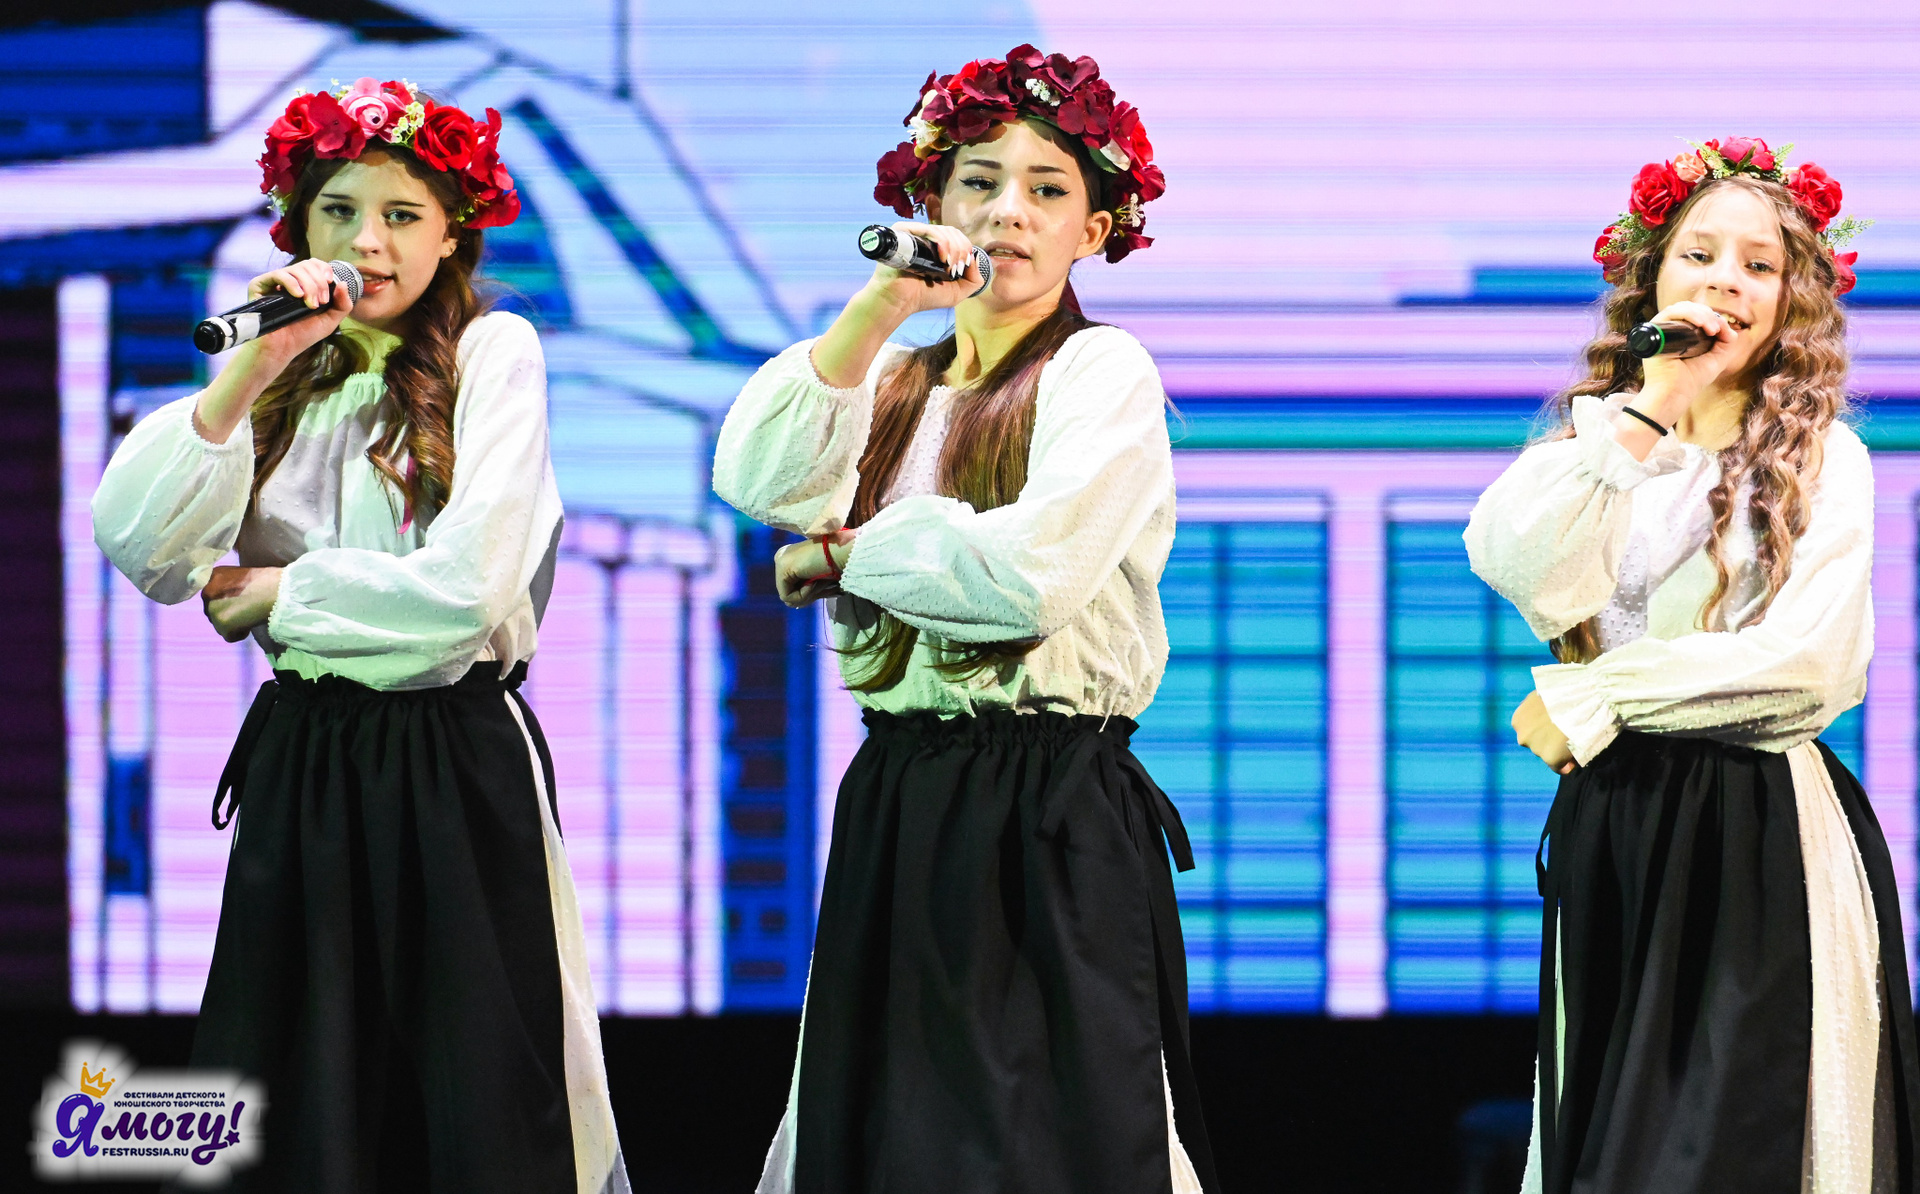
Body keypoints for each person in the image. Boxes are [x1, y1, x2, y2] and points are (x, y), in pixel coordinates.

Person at [91, 79, 627, 1194]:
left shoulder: (494, 350)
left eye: (399, 215)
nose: (365, 242)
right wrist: (252, 367)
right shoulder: (282, 377)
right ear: (299, 225)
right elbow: (146, 549)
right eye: (338, 211)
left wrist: (281, 596)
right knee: (297, 1091)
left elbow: (465, 594)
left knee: (478, 1093)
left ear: (451, 234)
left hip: (453, 756)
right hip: (308, 759)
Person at [712, 45, 1216, 1194]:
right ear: (930, 202)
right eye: (978, 183)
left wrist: (848, 554)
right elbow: (759, 476)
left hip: (1049, 800)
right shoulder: (893, 383)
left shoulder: (1099, 371)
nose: (1008, 213)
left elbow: (1032, 574)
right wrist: (882, 305)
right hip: (904, 788)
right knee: (885, 1128)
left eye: (1047, 190)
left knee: (1057, 1139)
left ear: (1095, 230)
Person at [1465, 137, 1916, 1193]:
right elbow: (1515, 564)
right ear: (1653, 279)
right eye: (1699, 256)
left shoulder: (1826, 458)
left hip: (1755, 827)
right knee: (1609, 1145)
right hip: (1617, 824)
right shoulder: (1602, 448)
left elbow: (1809, 666)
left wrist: (1603, 694)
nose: (1725, 282)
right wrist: (1650, 408)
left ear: (1793, 301)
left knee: (1728, 1145)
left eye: (1759, 265)